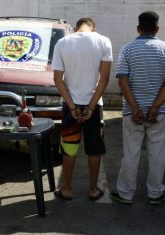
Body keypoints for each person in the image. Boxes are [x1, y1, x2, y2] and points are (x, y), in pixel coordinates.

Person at [110, 11, 165, 205]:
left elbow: (123, 81)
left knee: (131, 153)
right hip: (160, 113)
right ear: (157, 29)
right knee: (157, 153)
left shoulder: (127, 50)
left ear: (138, 28)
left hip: (132, 112)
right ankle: (155, 194)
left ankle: (125, 194)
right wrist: (156, 106)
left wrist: (134, 108)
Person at [51, 18, 113, 201]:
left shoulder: (62, 42)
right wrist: (91, 107)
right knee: (94, 149)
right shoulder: (103, 41)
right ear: (93, 28)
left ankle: (67, 189)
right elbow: (105, 79)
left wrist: (71, 106)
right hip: (94, 105)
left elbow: (57, 79)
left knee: (69, 147)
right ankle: (93, 190)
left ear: (76, 28)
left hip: (70, 105)